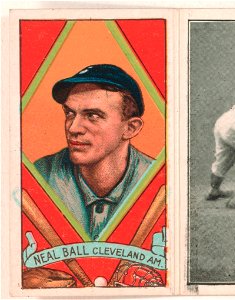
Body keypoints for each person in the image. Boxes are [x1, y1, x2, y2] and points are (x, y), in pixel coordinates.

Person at [35, 64, 153, 240]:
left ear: (130, 128)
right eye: (69, 113)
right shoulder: (39, 175)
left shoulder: (156, 180)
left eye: (92, 116)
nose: (73, 128)